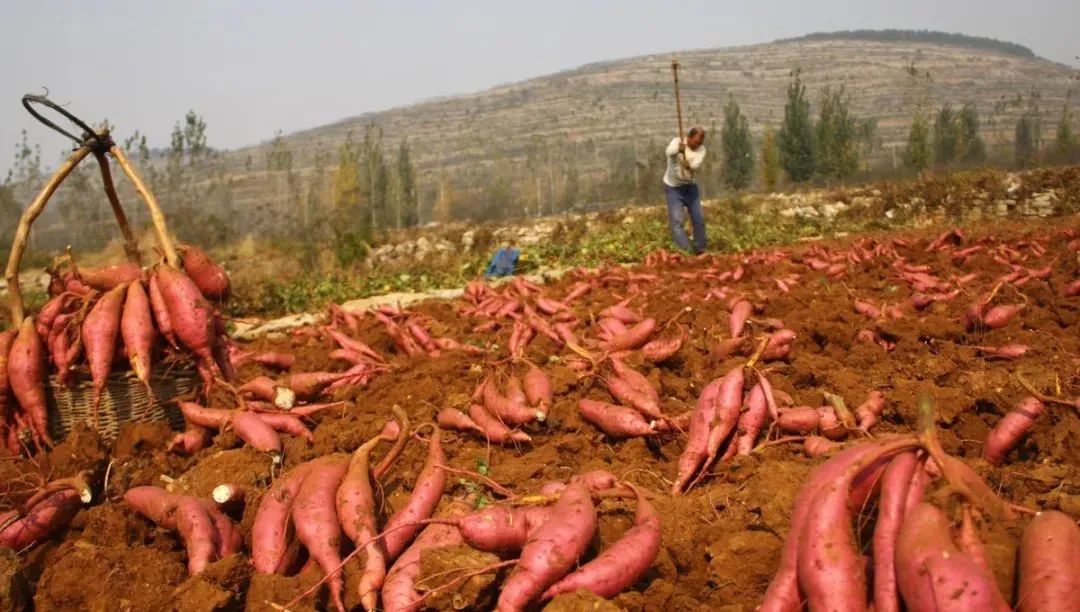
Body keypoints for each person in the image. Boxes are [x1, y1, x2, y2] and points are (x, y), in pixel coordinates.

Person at [662, 126, 707, 254]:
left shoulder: (702, 150)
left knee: (698, 219)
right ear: (689, 138)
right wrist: (678, 149)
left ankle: (700, 249)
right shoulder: (677, 142)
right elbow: (669, 152)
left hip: (690, 188)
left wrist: (688, 165)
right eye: (695, 142)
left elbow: (695, 165)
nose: (697, 145)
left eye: (700, 143)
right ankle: (686, 251)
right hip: (673, 188)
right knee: (677, 221)